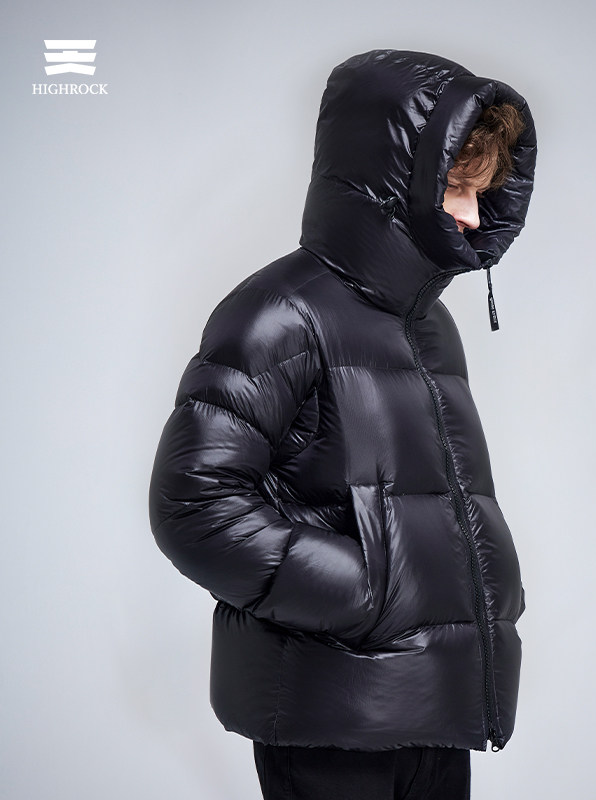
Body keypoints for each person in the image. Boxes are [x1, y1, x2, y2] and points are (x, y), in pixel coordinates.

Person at [149, 49, 537, 799]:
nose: (472, 216)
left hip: (434, 705)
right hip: (330, 711)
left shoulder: (429, 325)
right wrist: (368, 593)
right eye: (456, 188)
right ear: (392, 184)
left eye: (482, 192)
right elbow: (194, 506)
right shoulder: (279, 313)